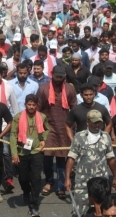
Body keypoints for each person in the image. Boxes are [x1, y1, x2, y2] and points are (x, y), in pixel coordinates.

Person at [65, 110, 116, 217]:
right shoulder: (79, 137)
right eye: (94, 122)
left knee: (103, 211)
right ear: (87, 122)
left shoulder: (106, 137)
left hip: (101, 183)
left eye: (99, 122)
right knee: (79, 211)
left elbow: (110, 158)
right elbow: (71, 158)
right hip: (83, 182)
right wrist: (67, 178)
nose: (97, 125)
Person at [36, 66, 77, 199]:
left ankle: (60, 186)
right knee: (47, 158)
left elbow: (74, 109)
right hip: (48, 127)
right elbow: (38, 110)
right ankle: (49, 181)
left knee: (61, 158)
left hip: (64, 128)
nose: (59, 79)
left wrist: (73, 127)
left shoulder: (70, 89)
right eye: (56, 76)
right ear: (52, 75)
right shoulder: (43, 89)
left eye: (61, 76)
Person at [10, 94, 50, 217]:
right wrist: (14, 154)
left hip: (36, 152)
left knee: (36, 179)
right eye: (29, 104)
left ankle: (34, 205)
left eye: (33, 105)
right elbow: (13, 135)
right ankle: (26, 192)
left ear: (36, 105)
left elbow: (47, 129)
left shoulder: (42, 117)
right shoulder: (18, 117)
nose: (31, 107)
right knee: (23, 178)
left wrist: (43, 139)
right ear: (25, 105)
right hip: (22, 152)